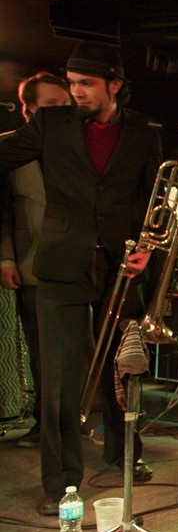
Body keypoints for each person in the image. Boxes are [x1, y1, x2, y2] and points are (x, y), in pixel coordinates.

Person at [0, 42, 163, 515]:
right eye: (72, 84)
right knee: (59, 378)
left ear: (114, 84)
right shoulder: (50, 124)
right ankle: (62, 484)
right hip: (61, 265)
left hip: (120, 265)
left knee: (122, 370)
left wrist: (149, 248)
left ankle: (124, 456)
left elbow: (155, 199)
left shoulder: (143, 132)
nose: (77, 92)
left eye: (86, 84)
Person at [0, 72, 72, 447]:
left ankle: (72, 422)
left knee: (75, 350)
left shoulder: (77, 147)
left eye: (65, 104)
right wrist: (6, 260)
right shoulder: (9, 147)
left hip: (75, 264)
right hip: (31, 261)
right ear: (28, 109)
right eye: (51, 105)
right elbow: (3, 211)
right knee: (41, 350)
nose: (61, 111)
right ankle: (46, 425)